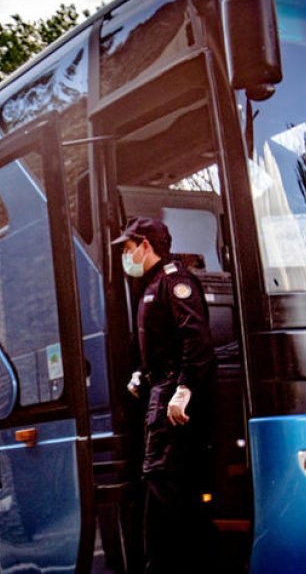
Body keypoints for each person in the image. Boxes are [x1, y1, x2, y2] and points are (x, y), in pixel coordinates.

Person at [112, 216, 216, 573]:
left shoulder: (175, 281)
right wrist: (140, 374)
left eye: (128, 248)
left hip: (172, 394)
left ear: (145, 245)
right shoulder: (151, 284)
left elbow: (196, 339)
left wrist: (184, 389)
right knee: (169, 487)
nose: (126, 256)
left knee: (161, 483)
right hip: (159, 388)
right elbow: (157, 344)